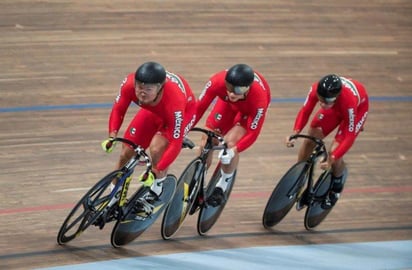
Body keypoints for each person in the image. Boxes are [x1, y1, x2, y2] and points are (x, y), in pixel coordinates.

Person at [101, 61, 197, 214]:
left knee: (157, 148)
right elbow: (119, 109)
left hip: (182, 113)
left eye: (148, 89)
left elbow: (175, 144)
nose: (142, 92)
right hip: (153, 111)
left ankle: (156, 189)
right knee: (127, 152)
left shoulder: (174, 101)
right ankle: (114, 197)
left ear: (160, 88)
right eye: (139, 87)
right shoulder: (129, 85)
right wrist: (112, 135)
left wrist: (155, 171)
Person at [286, 74, 369, 209]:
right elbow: (305, 111)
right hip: (336, 108)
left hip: (357, 110)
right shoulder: (315, 90)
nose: (323, 104)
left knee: (334, 153)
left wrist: (333, 157)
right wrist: (295, 131)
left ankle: (336, 187)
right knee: (310, 138)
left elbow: (349, 137)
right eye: (321, 100)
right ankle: (300, 176)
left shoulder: (348, 102)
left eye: (328, 101)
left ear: (336, 97)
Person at [195, 64, 271, 206]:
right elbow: (198, 108)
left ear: (248, 87)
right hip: (227, 105)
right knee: (208, 137)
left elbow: (253, 133)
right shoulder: (217, 82)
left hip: (247, 111)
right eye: (229, 87)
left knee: (230, 143)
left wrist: (234, 151)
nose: (232, 93)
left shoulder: (259, 99)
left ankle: (222, 185)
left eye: (238, 90)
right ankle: (198, 177)